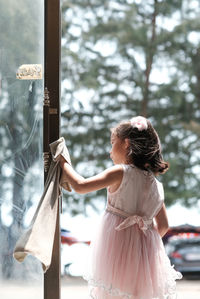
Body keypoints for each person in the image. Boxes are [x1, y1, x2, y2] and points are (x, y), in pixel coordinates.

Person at [60, 116, 182, 299]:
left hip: (115, 254)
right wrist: (141, 240)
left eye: (112, 143)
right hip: (144, 260)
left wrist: (61, 159)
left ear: (126, 144)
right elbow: (163, 226)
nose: (110, 151)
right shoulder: (156, 185)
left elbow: (80, 185)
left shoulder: (120, 172)